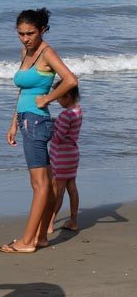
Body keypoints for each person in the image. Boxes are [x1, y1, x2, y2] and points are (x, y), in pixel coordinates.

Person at [0, 8, 78, 254]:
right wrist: (13, 122)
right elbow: (22, 91)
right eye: (21, 33)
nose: (25, 38)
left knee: (40, 185)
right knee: (43, 182)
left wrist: (48, 99)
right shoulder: (27, 51)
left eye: (30, 33)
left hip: (36, 121)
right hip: (26, 120)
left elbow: (70, 80)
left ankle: (26, 241)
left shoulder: (47, 52)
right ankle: (41, 237)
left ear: (42, 30)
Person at [48, 81, 83, 233]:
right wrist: (57, 122)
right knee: (72, 189)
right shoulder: (78, 111)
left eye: (59, 98)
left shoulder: (65, 115)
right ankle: (73, 221)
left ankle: (49, 223)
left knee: (58, 190)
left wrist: (48, 131)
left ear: (67, 96)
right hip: (72, 155)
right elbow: (68, 129)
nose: (57, 101)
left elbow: (58, 137)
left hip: (61, 155)